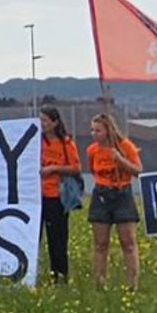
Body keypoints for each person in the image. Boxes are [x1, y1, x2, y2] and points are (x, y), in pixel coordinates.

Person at [85, 112, 142, 290]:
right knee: (100, 244)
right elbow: (92, 170)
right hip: (101, 194)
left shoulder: (125, 146)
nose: (94, 134)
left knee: (128, 242)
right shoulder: (92, 150)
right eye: (92, 130)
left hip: (122, 194)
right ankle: (100, 282)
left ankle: (132, 284)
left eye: (98, 130)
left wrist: (120, 159)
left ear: (108, 130)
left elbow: (138, 171)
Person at [39, 106, 81, 283]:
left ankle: (59, 274)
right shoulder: (36, 142)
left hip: (57, 196)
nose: (42, 124)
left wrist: (54, 168)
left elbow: (76, 168)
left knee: (57, 239)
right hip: (37, 197)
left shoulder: (66, 143)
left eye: (45, 120)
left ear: (55, 122)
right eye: (40, 120)